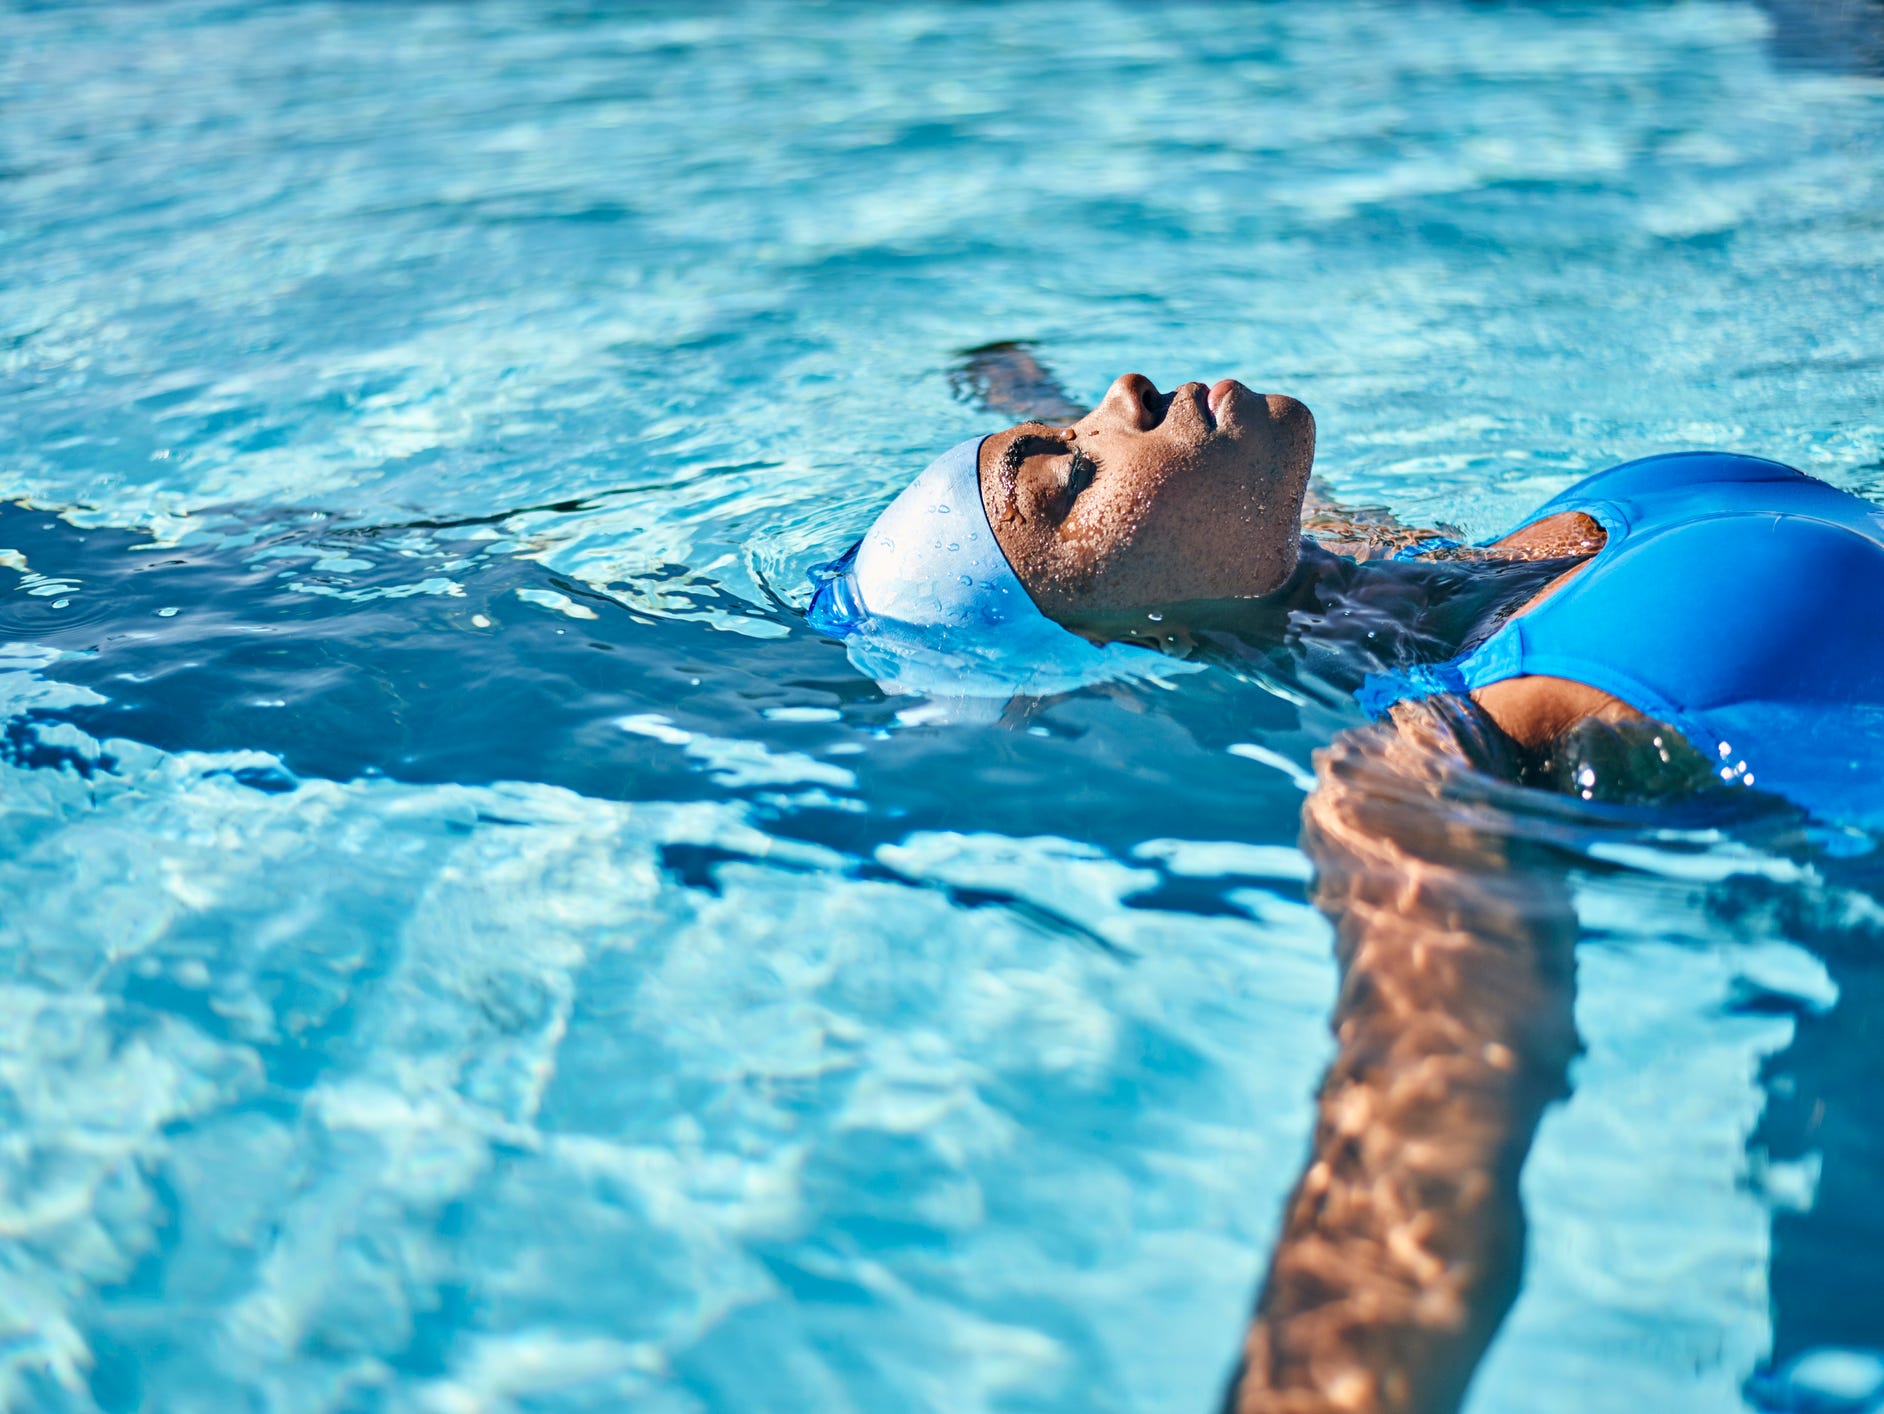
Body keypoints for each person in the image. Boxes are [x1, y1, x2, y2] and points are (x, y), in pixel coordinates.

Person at [809, 348, 1884, 1414]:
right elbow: (1421, 1128)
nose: (1119, 403)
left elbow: (1177, 509)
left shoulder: (1416, 570)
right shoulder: (1410, 776)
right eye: (1070, 474)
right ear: (1133, 638)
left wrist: (1019, 389)